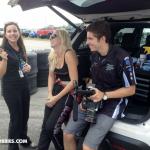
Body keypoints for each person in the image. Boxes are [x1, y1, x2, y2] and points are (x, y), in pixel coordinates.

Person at [63, 21, 136, 150]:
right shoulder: (94, 55)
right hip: (94, 99)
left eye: (90, 38)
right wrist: (86, 99)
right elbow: (93, 79)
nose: (87, 42)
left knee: (87, 147)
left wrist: (104, 95)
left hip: (113, 103)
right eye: (87, 38)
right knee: (68, 134)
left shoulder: (122, 58)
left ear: (102, 39)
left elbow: (131, 89)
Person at [37, 29, 78, 150]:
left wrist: (55, 98)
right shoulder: (53, 54)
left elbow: (74, 82)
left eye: (54, 35)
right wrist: (50, 94)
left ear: (62, 38)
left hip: (67, 94)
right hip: (55, 91)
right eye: (50, 35)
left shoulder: (68, 54)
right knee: (45, 126)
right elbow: (51, 76)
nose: (50, 37)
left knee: (52, 127)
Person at [0, 22, 36, 150]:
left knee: (24, 116)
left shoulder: (21, 47)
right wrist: (4, 59)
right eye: (9, 31)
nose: (12, 33)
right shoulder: (2, 50)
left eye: (14, 30)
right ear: (5, 34)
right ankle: (12, 146)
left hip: (23, 85)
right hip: (11, 88)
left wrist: (28, 67)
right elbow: (1, 73)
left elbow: (22, 64)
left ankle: (23, 139)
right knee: (16, 118)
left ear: (19, 32)